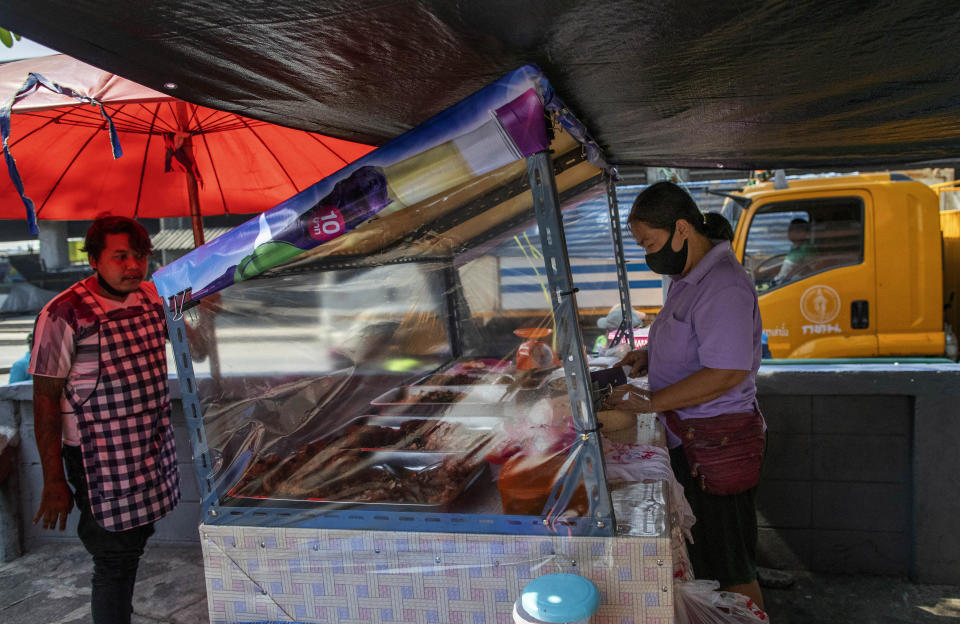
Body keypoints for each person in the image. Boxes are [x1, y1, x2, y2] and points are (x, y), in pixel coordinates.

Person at [604, 181, 766, 608]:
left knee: (732, 565)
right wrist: (648, 356)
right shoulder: (687, 276)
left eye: (649, 242)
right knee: (710, 556)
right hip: (688, 436)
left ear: (681, 230)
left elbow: (727, 370)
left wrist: (651, 402)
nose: (647, 253)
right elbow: (682, 334)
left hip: (715, 442)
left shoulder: (724, 285)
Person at [29, 215, 179, 624]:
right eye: (121, 256)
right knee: (113, 558)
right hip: (98, 460)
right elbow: (44, 401)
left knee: (133, 544)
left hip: (148, 446)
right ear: (94, 260)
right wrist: (55, 479)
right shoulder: (63, 314)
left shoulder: (153, 299)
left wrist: (205, 301)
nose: (134, 265)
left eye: (140, 256)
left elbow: (197, 344)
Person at [773, 218, 813, 284]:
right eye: (789, 229)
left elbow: (811, 269)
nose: (788, 232)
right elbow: (789, 266)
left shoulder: (807, 248)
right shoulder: (795, 247)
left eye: (792, 229)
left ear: (803, 232)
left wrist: (789, 279)